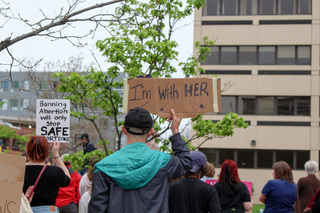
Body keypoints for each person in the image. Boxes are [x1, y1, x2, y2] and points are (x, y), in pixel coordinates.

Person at [88, 107, 193, 212]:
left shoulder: (103, 168)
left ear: (124, 129)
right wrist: (175, 131)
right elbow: (186, 162)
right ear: (150, 132)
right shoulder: (162, 162)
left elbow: (97, 209)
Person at [23, 135, 71, 213]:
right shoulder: (55, 172)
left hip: (25, 209)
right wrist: (56, 154)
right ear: (47, 152)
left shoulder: (19, 171)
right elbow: (67, 180)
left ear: (28, 151)